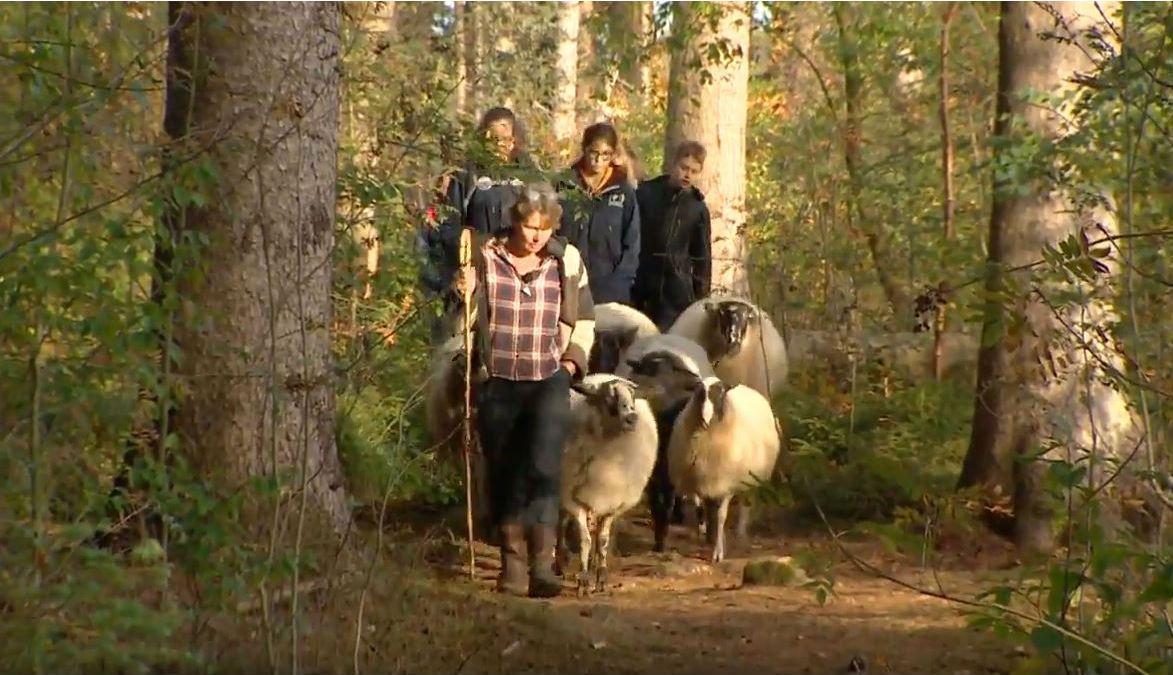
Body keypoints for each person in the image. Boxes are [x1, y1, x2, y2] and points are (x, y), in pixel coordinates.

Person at [449, 182, 595, 598]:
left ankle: (543, 565)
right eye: (530, 226)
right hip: (498, 379)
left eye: (544, 228)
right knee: (505, 470)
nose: (536, 236)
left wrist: (572, 363)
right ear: (515, 222)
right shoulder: (485, 255)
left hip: (547, 378)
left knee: (544, 467)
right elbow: (462, 320)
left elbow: (584, 315)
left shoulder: (566, 260)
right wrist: (464, 293)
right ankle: (512, 567)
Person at [421, 107, 542, 341]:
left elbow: (545, 220)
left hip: (521, 272)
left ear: (515, 138)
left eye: (506, 139)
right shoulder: (467, 174)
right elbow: (448, 226)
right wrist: (472, 254)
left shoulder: (529, 174)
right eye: (493, 139)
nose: (500, 145)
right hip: (478, 272)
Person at [556, 122, 641, 306]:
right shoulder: (563, 185)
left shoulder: (623, 190)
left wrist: (620, 284)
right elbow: (551, 232)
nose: (598, 160)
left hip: (610, 289)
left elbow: (632, 243)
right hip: (566, 283)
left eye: (605, 155)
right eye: (593, 153)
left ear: (613, 155)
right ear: (584, 149)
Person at [632, 140, 712, 331]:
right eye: (684, 168)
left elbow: (702, 258)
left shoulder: (697, 208)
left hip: (676, 294)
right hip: (641, 285)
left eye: (694, 171)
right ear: (673, 164)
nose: (687, 175)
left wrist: (700, 299)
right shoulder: (646, 193)